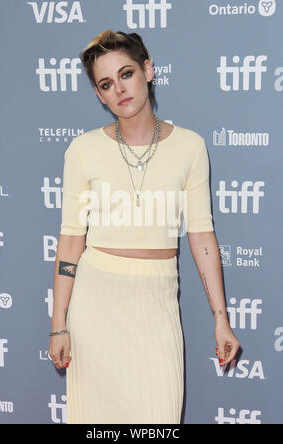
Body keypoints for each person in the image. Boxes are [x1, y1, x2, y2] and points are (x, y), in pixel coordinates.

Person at [49, 30, 240, 424]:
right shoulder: (83, 151)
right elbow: (70, 242)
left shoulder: (190, 146)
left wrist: (221, 317)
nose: (119, 89)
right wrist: (58, 326)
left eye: (126, 73)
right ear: (99, 95)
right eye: (106, 83)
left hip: (157, 302)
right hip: (96, 305)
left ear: (148, 70)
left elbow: (201, 236)